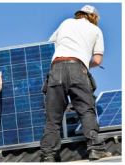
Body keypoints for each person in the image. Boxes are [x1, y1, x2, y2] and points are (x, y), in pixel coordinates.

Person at [40, 5, 112, 162]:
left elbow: (49, 45)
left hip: (56, 68)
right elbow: (98, 60)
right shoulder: (96, 30)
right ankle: (95, 149)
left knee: (53, 117)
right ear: (94, 17)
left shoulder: (66, 22)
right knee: (86, 110)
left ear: (79, 14)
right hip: (78, 69)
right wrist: (86, 63)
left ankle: (49, 156)